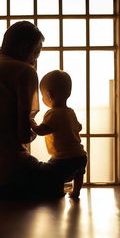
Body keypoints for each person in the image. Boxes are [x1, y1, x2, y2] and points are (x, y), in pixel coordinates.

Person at [0, 21, 65, 199]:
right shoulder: (23, 70)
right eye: (36, 53)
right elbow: (24, 136)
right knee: (61, 174)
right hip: (9, 175)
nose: (35, 60)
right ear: (25, 46)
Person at [30, 70, 87, 198]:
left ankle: (57, 192)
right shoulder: (70, 112)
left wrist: (31, 123)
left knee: (53, 175)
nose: (43, 98)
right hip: (80, 156)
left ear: (50, 95)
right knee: (79, 174)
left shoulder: (52, 113)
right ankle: (76, 191)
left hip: (63, 158)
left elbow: (41, 131)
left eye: (42, 95)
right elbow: (79, 127)